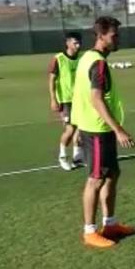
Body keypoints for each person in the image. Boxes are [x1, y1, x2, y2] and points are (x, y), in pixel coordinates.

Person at [71, 16, 135, 248]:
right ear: (101, 36)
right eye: (114, 35)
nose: (117, 39)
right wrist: (118, 130)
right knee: (96, 179)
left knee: (112, 174)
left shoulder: (87, 58)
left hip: (95, 128)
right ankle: (89, 231)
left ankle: (110, 224)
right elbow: (95, 99)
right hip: (98, 130)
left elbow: (79, 94)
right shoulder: (97, 63)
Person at [48, 32, 83, 171]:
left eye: (79, 42)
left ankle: (77, 157)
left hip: (80, 99)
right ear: (68, 43)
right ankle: (62, 156)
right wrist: (53, 99)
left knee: (81, 127)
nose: (78, 45)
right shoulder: (59, 59)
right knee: (70, 129)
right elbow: (52, 80)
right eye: (75, 43)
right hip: (66, 101)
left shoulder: (81, 59)